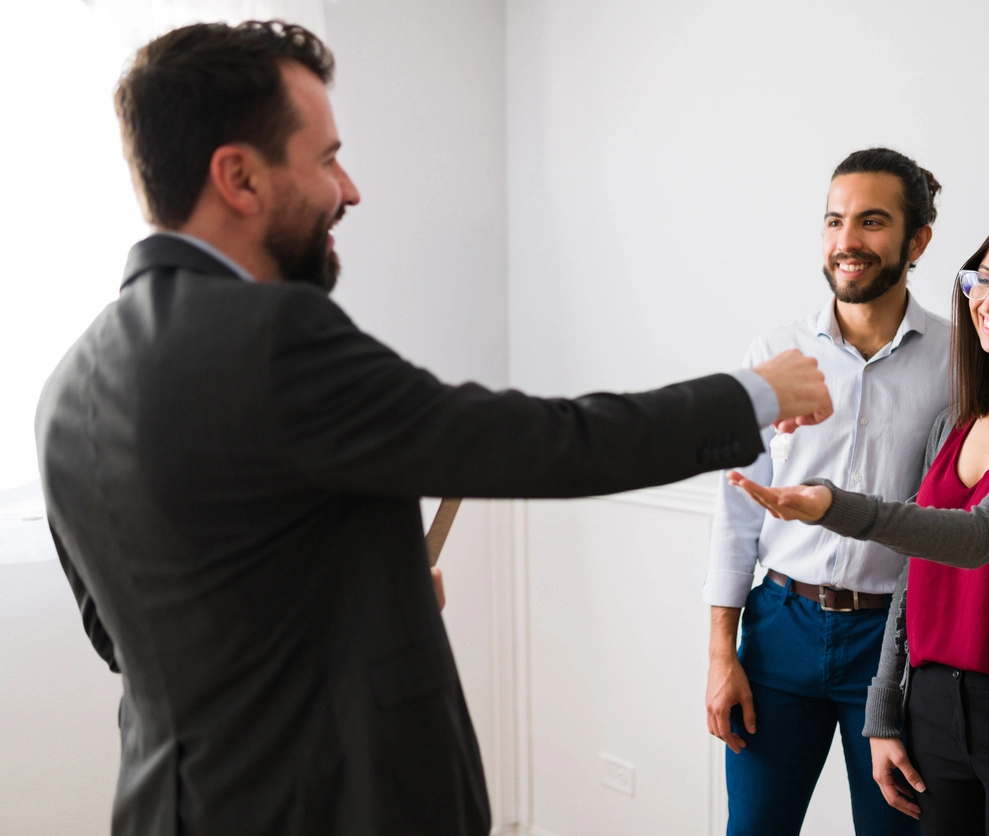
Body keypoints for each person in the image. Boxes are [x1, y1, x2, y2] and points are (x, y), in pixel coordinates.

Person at [34, 21, 835, 836]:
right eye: (325, 159)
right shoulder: (276, 332)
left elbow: (142, 633)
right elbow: (540, 442)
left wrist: (365, 596)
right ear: (238, 176)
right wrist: (753, 395)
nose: (348, 190)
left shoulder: (67, 386)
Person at [704, 150, 989, 836]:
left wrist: (830, 503)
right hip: (817, 639)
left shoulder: (987, 378)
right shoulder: (939, 402)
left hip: (958, 678)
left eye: (870, 221)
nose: (846, 240)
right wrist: (729, 655)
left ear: (916, 239)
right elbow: (744, 515)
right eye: (834, 220)